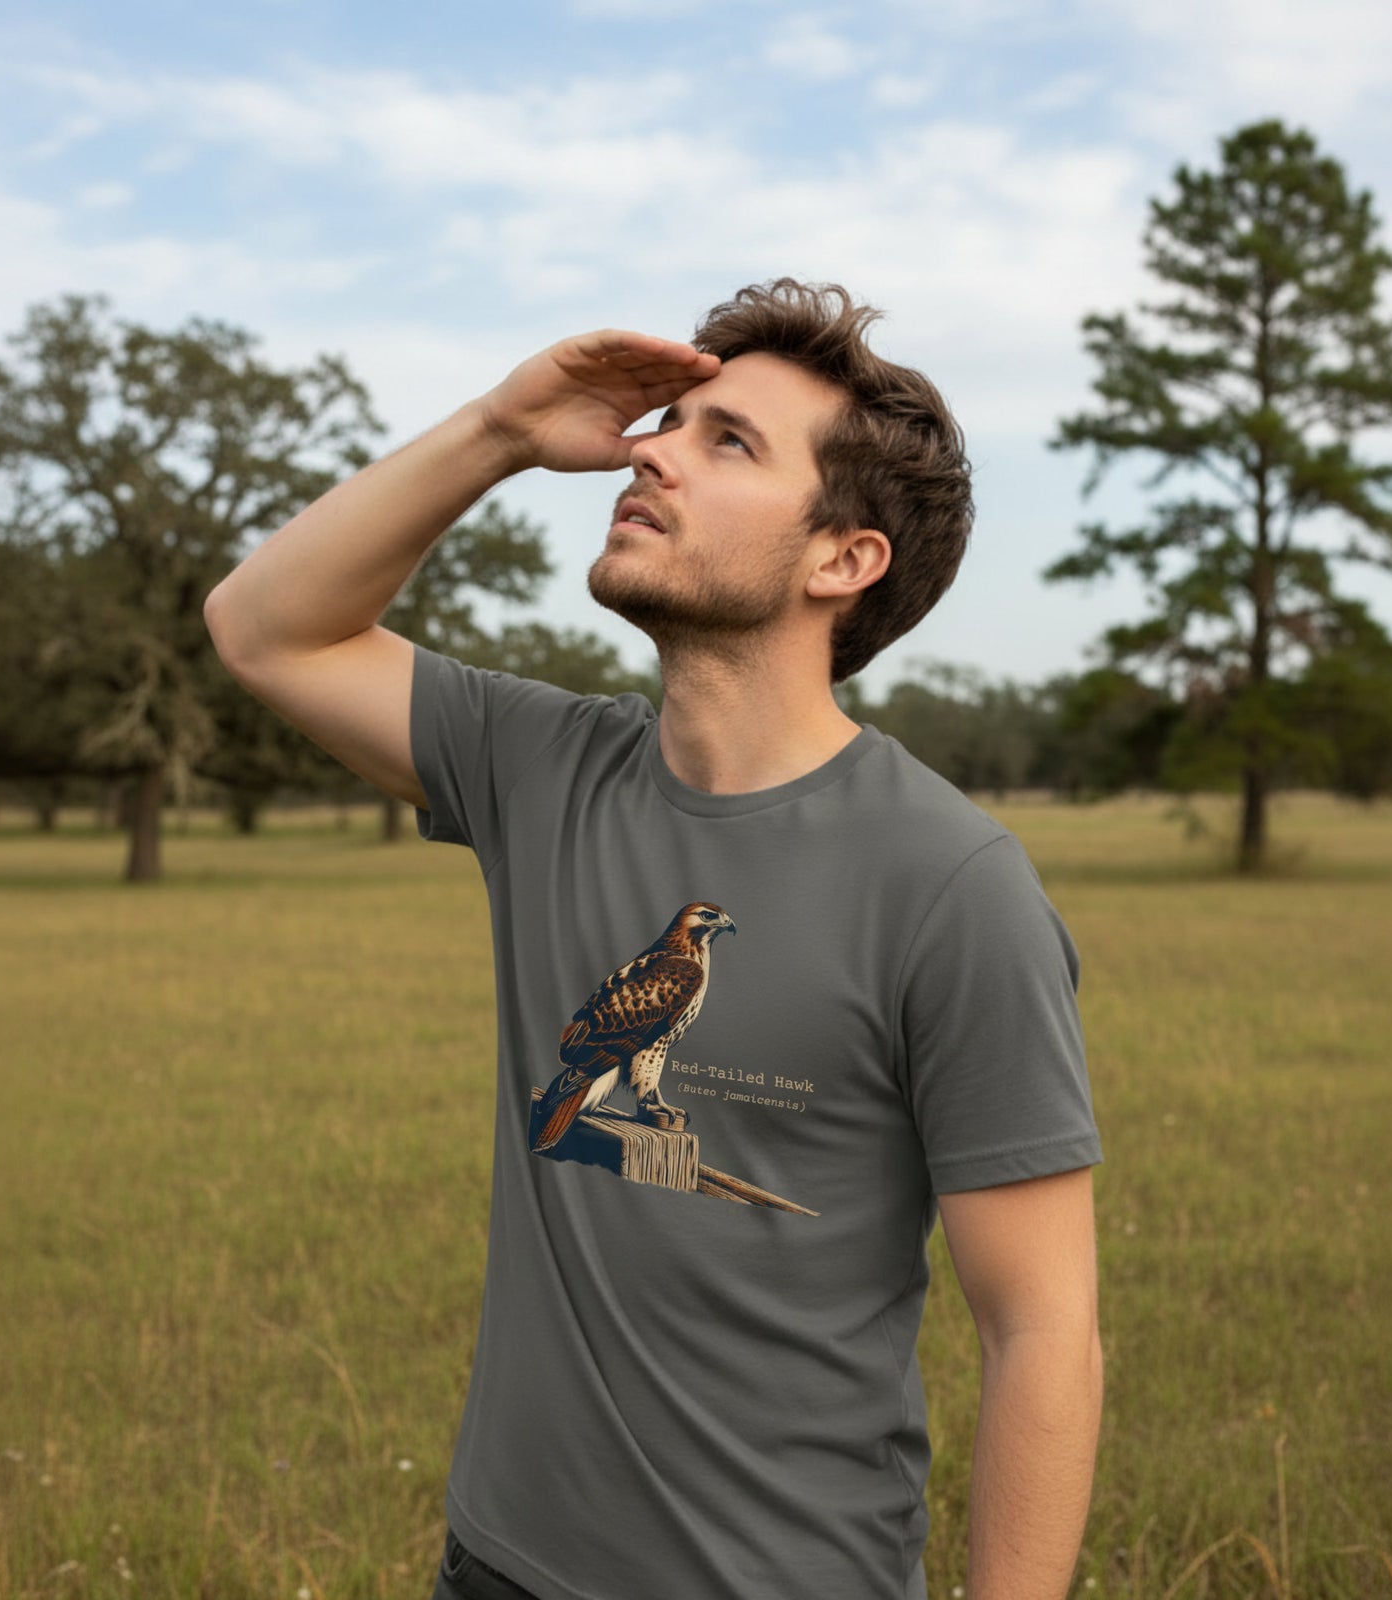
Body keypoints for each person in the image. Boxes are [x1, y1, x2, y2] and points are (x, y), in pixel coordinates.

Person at [204, 279, 1104, 1600]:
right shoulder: (543, 769)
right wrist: (503, 429)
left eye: (726, 439)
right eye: (669, 420)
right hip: (499, 1568)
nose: (652, 449)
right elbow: (261, 626)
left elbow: (1041, 1330)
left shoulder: (951, 881)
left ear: (841, 559)